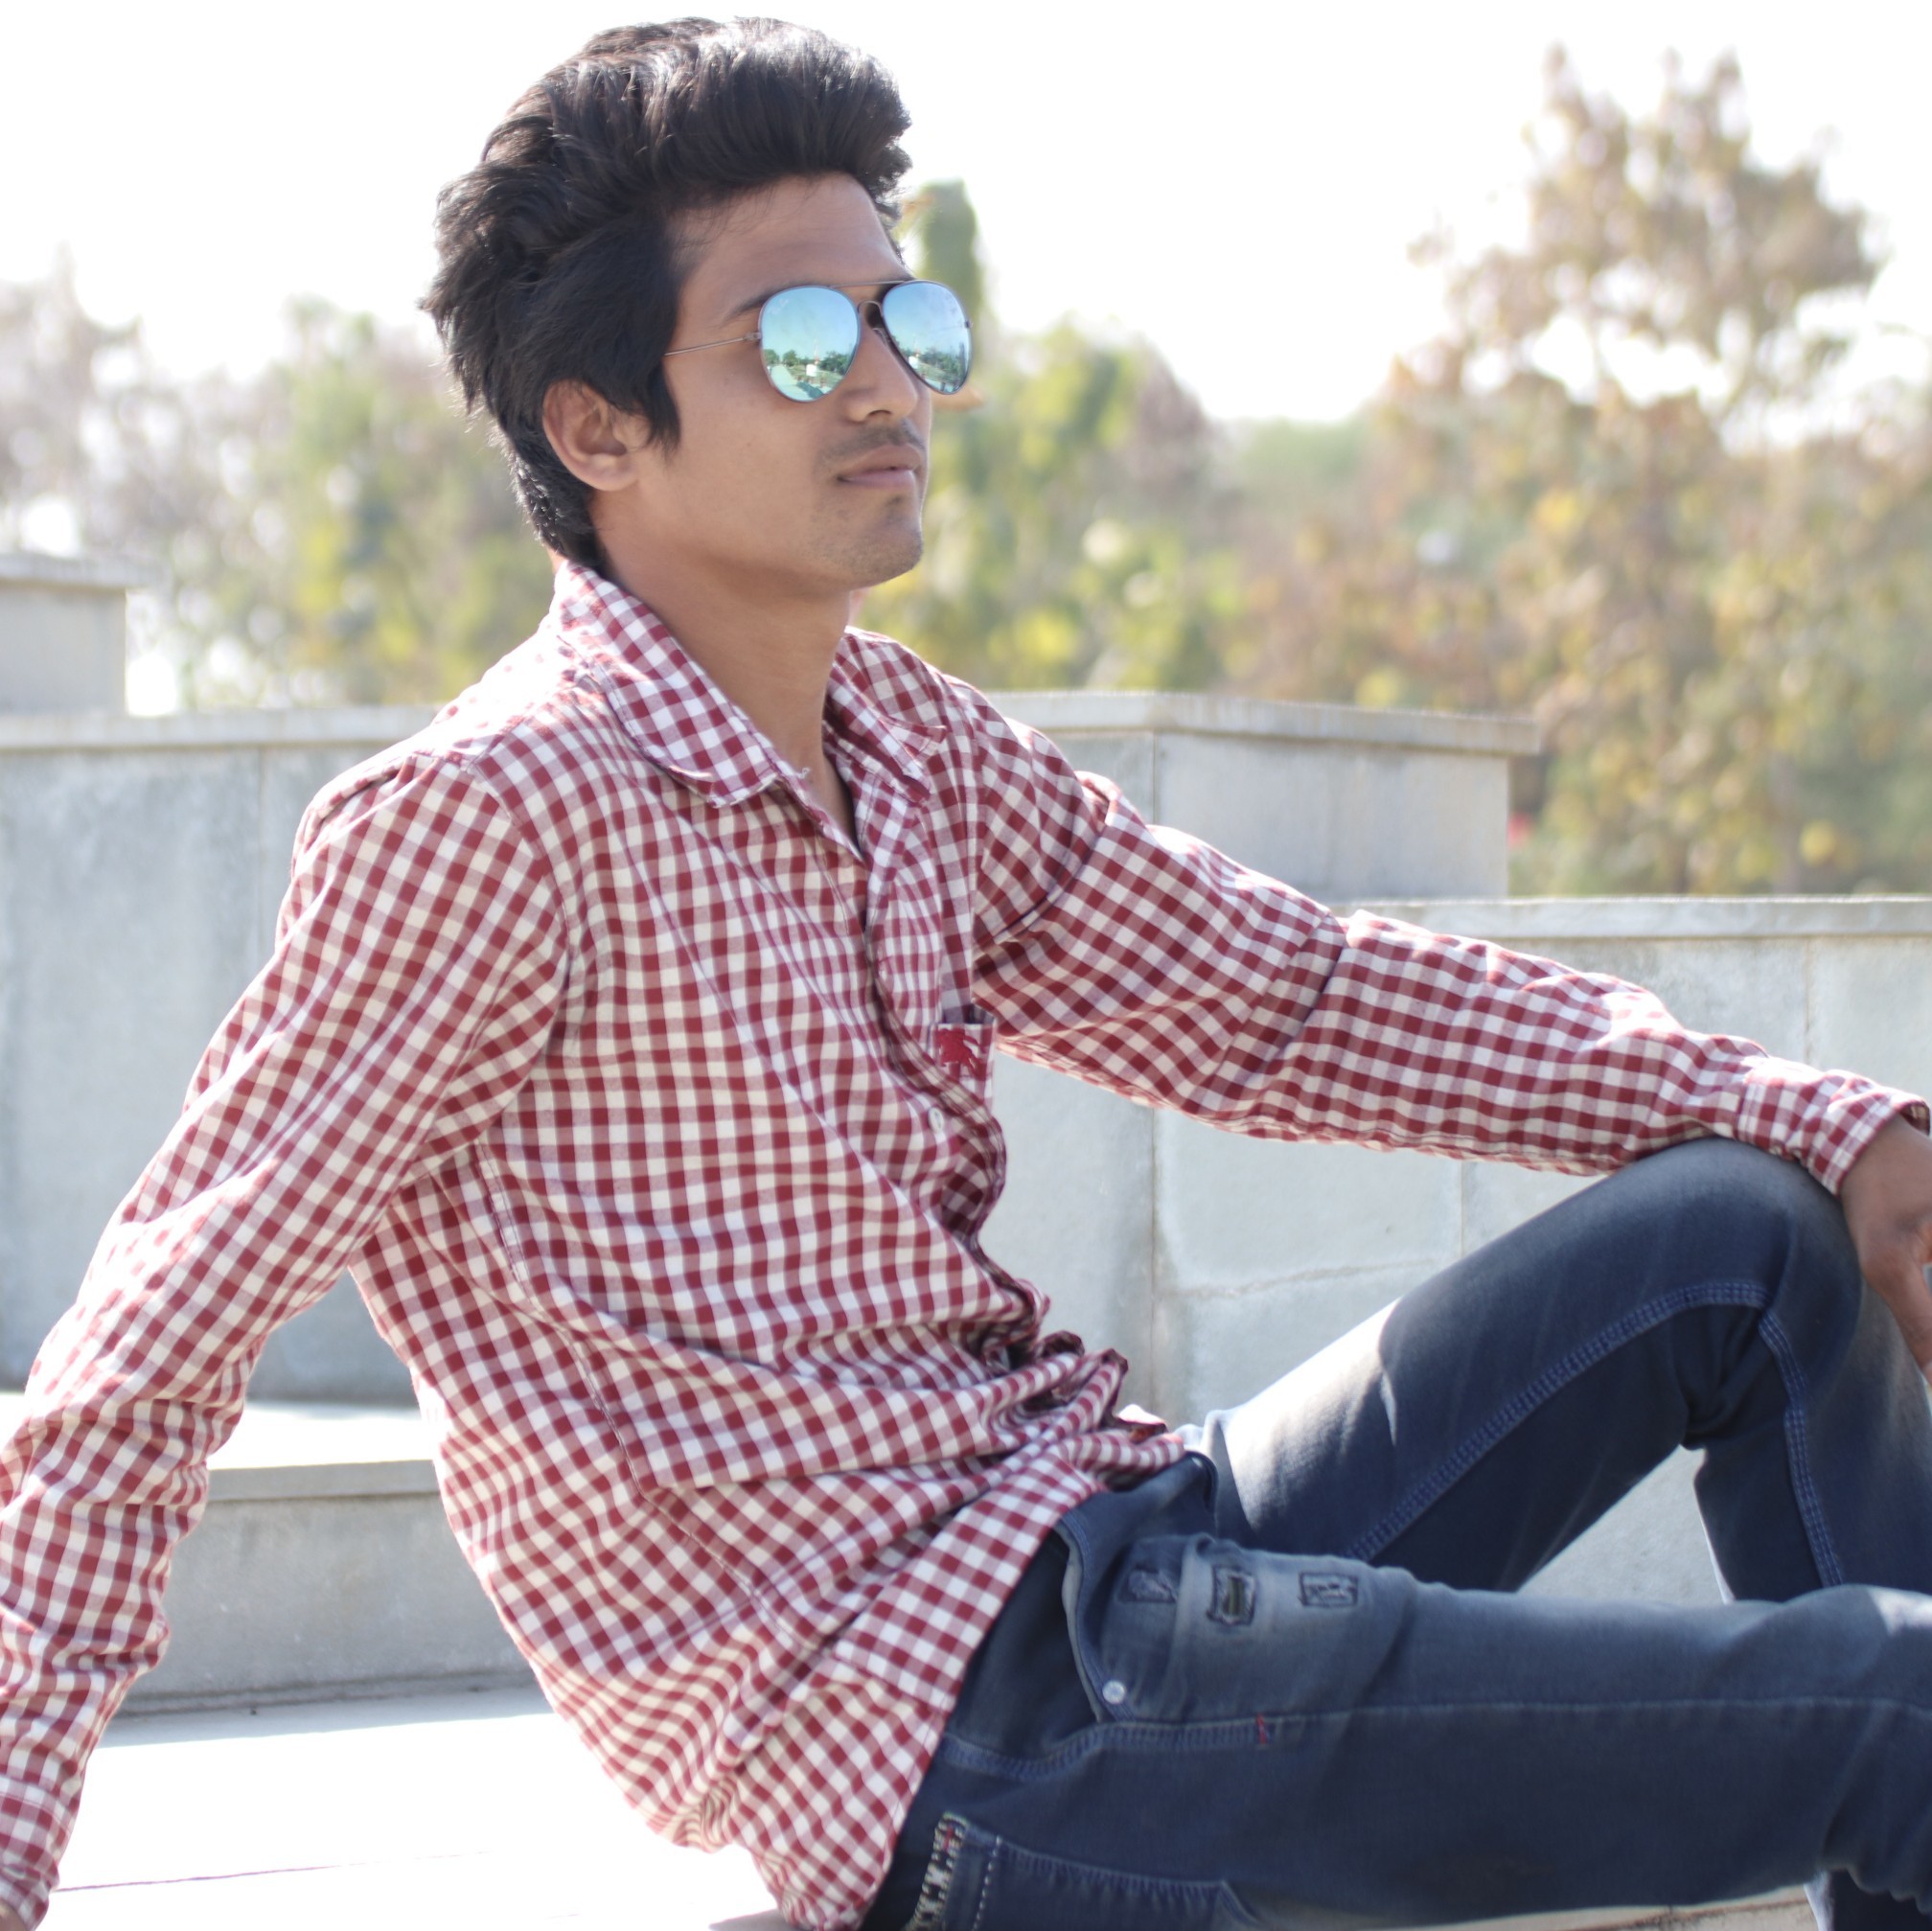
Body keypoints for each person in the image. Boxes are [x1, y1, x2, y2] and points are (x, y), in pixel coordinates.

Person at [3, 18, 1932, 1931]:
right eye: (798, 343)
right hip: (975, 1736)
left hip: (1109, 1546)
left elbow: (1295, 998)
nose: (885, 388)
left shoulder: (914, 747)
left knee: (1754, 1230)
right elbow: (142, 1361)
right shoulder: (489, 822)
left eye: (906, 323)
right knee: (1906, 1708)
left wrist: (1823, 1116)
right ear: (598, 429)